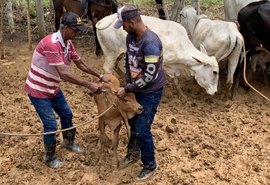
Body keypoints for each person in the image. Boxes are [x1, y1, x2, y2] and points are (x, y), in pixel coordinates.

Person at [23, 11, 110, 169]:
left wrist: (100, 75)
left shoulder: (68, 43)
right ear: (65, 28)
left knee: (67, 114)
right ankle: (49, 157)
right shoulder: (51, 43)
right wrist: (89, 84)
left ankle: (68, 142)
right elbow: (64, 73)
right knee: (50, 124)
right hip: (39, 90)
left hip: (52, 88)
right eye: (74, 30)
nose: (76, 33)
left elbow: (81, 64)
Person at [114, 5, 166, 181]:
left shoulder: (151, 43)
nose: (122, 28)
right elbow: (129, 60)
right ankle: (133, 153)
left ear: (132, 22)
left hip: (150, 92)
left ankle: (150, 164)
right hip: (136, 88)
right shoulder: (131, 37)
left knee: (143, 128)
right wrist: (128, 82)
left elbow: (149, 75)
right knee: (134, 122)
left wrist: (128, 88)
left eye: (123, 24)